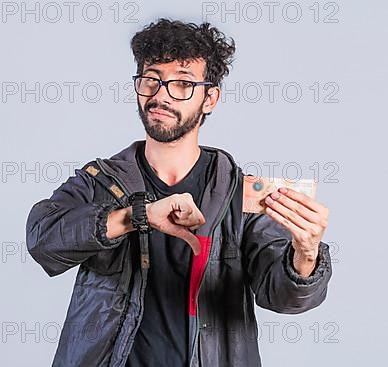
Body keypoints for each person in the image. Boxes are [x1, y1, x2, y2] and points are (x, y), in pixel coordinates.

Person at [25, 18, 333, 367]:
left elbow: (283, 296)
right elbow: (43, 238)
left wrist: (306, 254)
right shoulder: (102, 180)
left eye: (183, 84)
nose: (161, 95)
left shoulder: (238, 195)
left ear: (210, 98)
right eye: (151, 79)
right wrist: (136, 216)